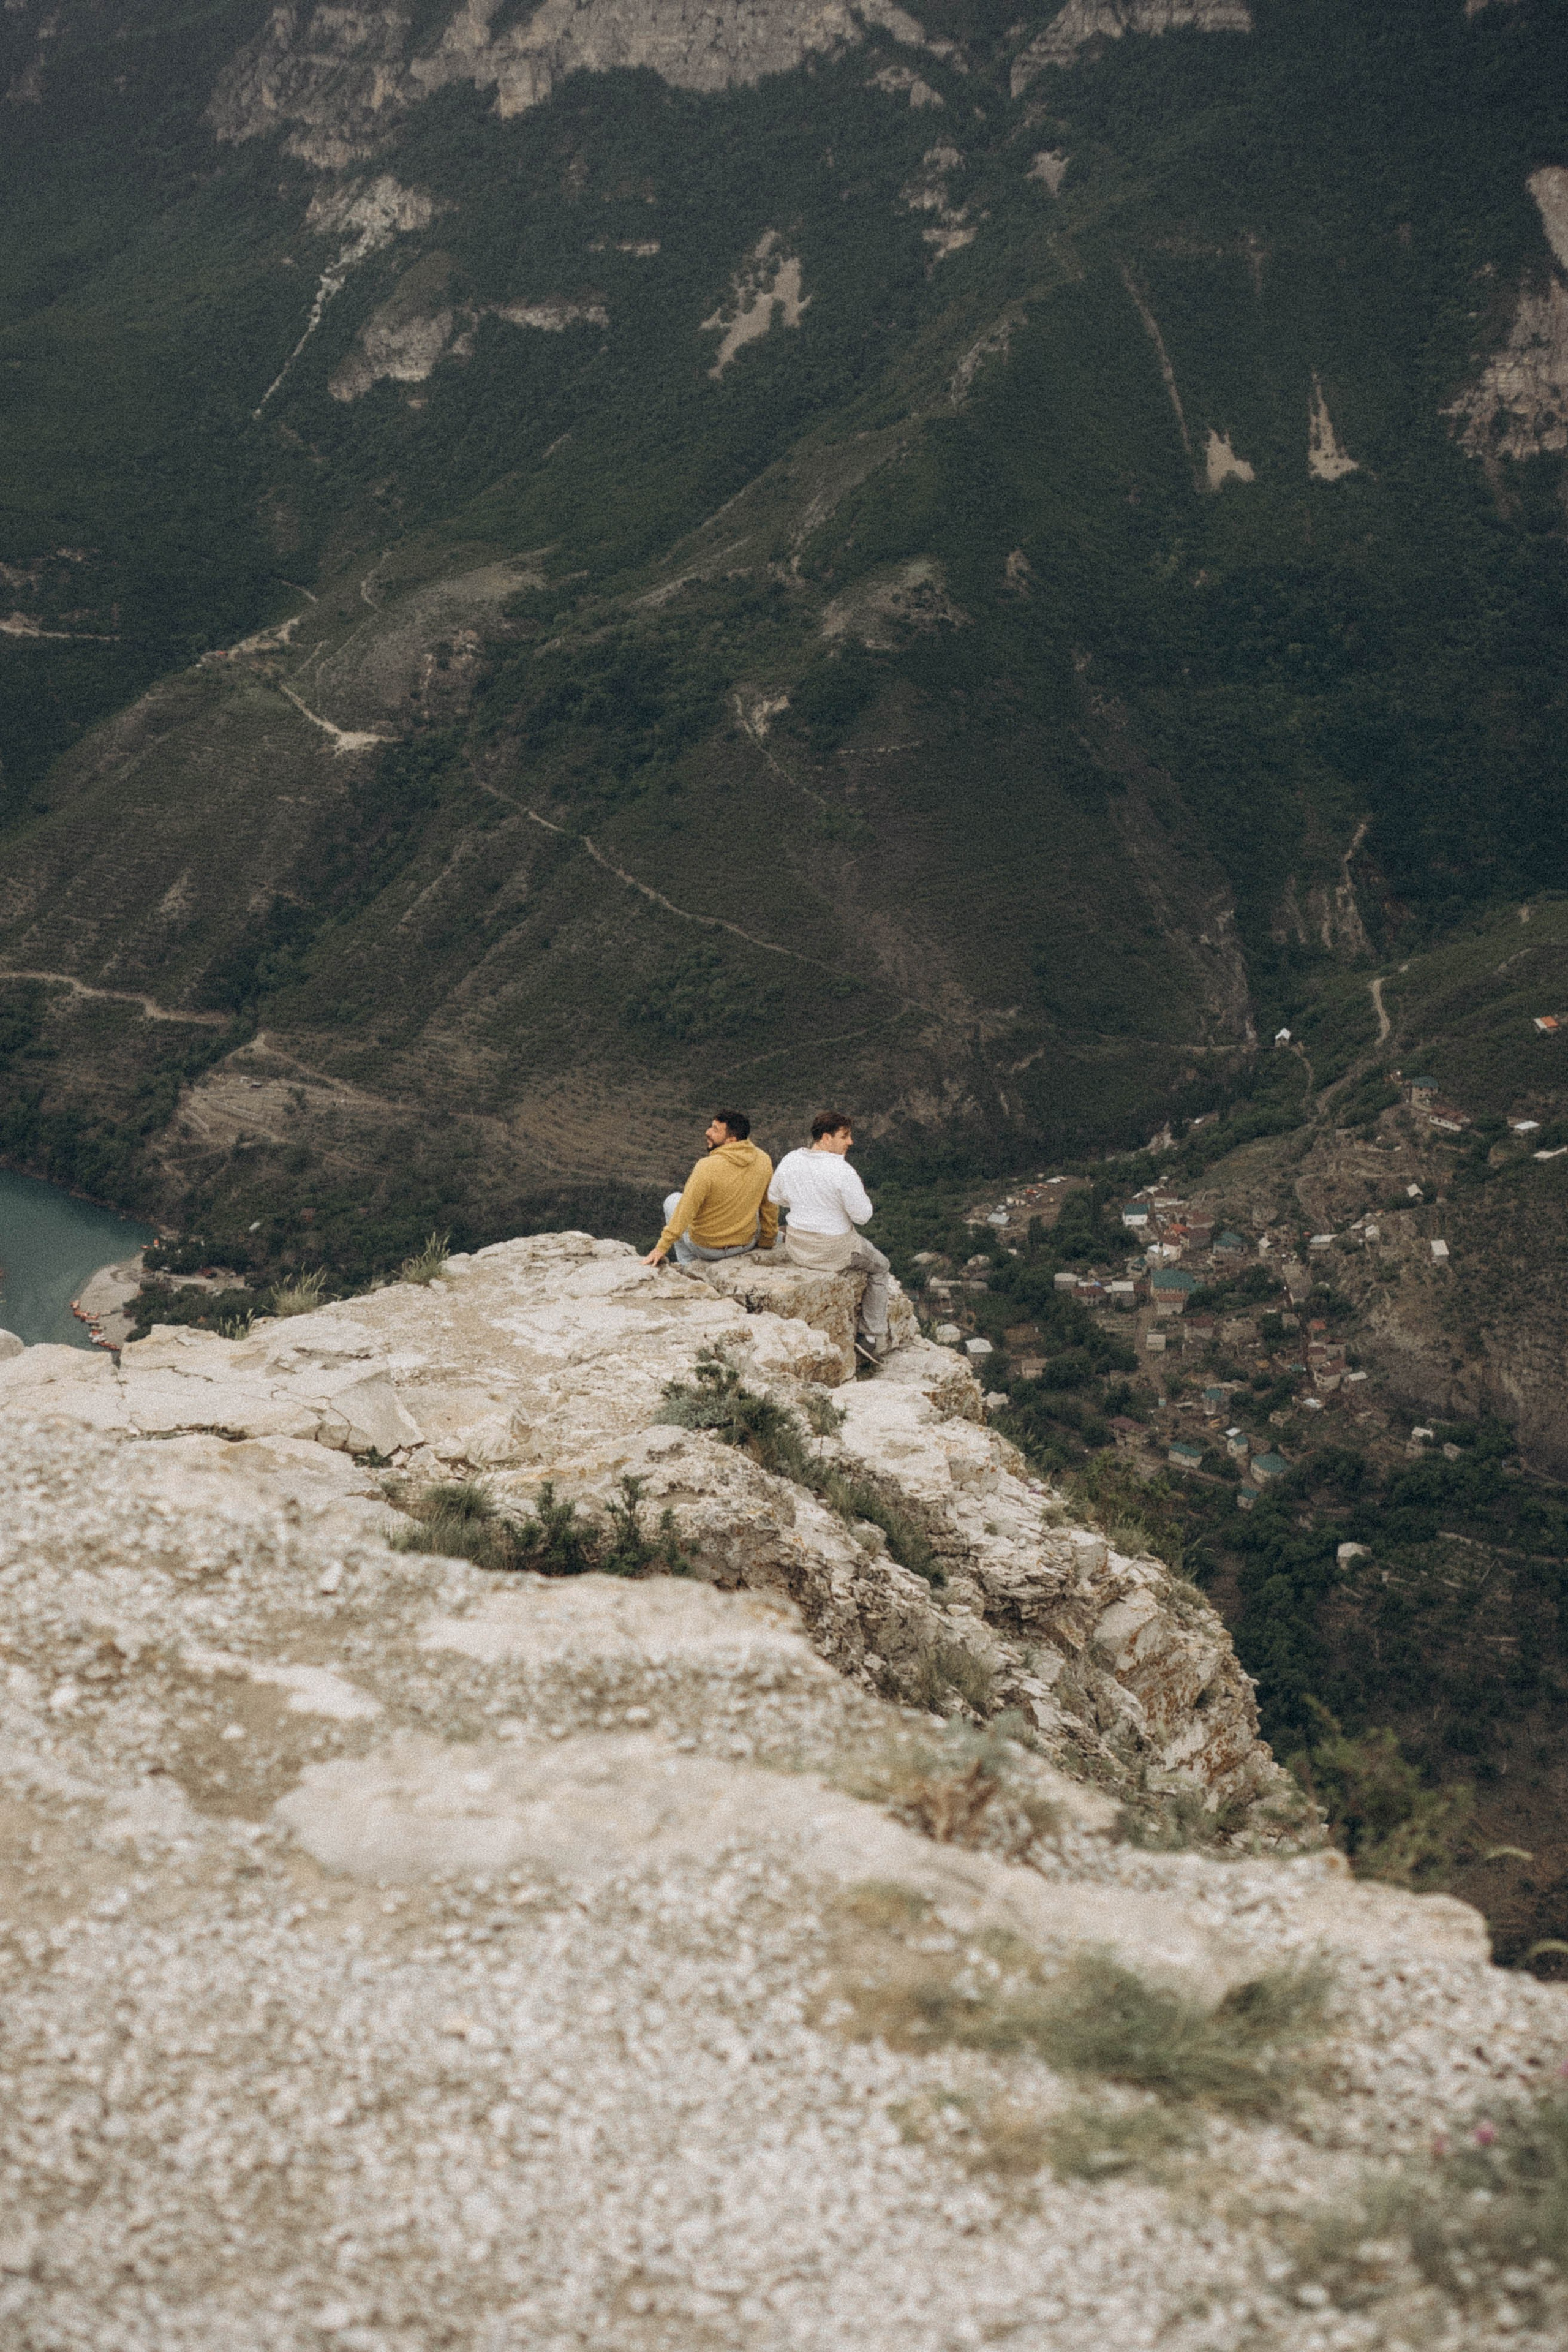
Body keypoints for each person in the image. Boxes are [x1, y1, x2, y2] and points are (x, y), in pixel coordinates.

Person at [767, 1110, 891, 1361]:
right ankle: (871, 1337)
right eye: (844, 1136)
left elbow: (775, 1197)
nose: (850, 1142)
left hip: (797, 1246)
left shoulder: (791, 1159)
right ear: (826, 1138)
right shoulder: (842, 1170)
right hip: (832, 1251)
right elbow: (863, 1216)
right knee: (881, 1267)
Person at [645, 1110, 777, 1268]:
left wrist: (661, 1248)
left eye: (715, 1130)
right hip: (745, 1244)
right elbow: (769, 1204)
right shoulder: (763, 1159)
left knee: (672, 1200)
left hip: (707, 1249)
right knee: (752, 1204)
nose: (707, 1132)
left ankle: (689, 1265)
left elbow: (685, 1210)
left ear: (731, 1140)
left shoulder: (706, 1167)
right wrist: (768, 1240)